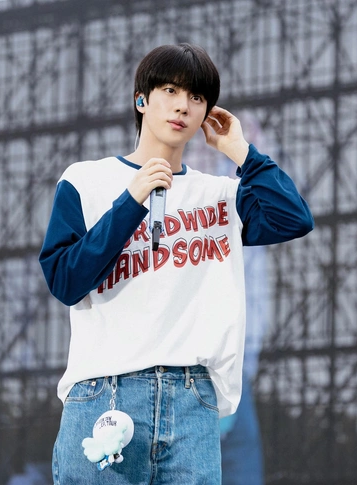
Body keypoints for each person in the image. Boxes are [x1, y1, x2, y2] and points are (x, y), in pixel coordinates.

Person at [39, 43, 313, 485]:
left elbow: (294, 218)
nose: (183, 105)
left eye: (197, 97)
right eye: (170, 90)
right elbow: (65, 280)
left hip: (192, 402)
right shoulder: (85, 181)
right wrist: (131, 201)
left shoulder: (220, 195)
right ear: (141, 100)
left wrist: (243, 153)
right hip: (106, 395)